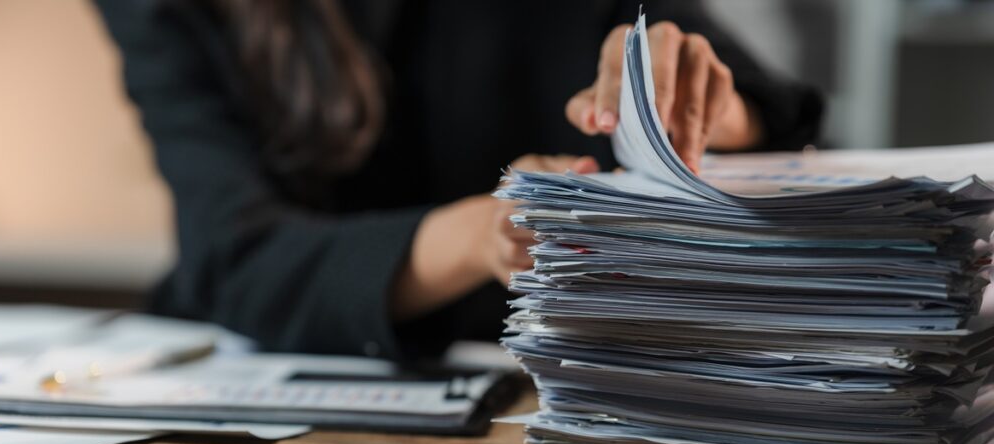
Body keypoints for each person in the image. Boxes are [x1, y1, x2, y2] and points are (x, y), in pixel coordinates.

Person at [94, 0, 822, 360]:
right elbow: (233, 255)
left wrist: (710, 109)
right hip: (257, 375)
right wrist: (487, 232)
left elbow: (781, 122)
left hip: (538, 383)